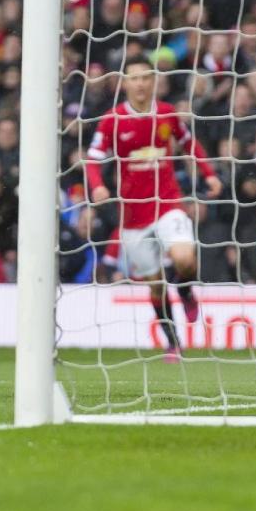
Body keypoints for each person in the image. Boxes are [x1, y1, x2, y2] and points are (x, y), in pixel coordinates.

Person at [83, 55, 221, 362]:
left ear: (154, 80)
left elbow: (189, 144)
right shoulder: (112, 120)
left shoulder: (168, 114)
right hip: (133, 217)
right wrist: (98, 186)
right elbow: (92, 158)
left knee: (184, 257)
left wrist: (209, 173)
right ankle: (173, 343)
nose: (141, 83)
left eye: (146, 77)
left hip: (168, 202)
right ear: (125, 82)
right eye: (134, 78)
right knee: (156, 285)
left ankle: (185, 291)